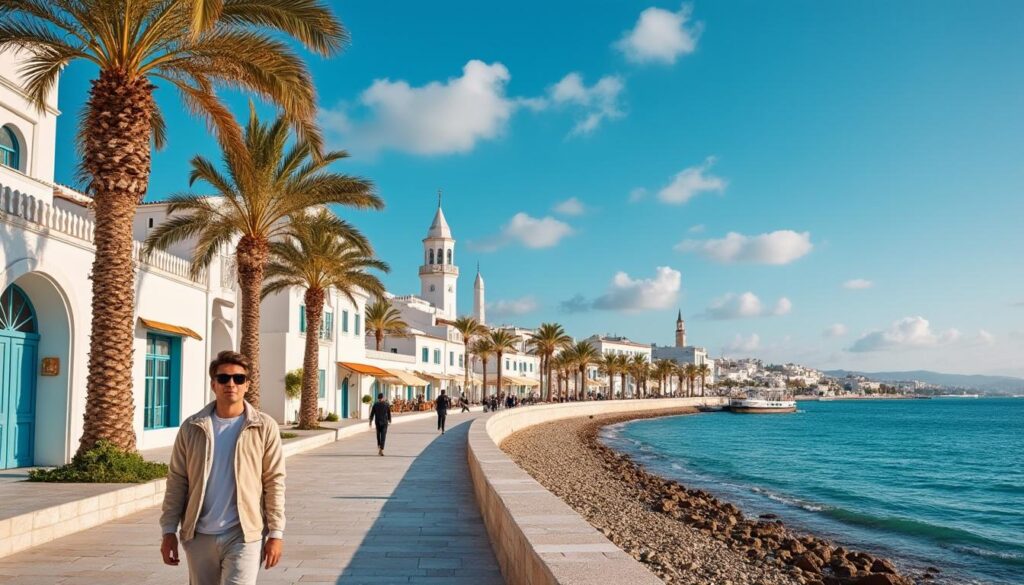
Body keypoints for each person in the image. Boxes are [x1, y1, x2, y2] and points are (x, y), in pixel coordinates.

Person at [159, 351, 285, 585]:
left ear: (247, 385)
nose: (231, 384)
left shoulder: (263, 427)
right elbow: (177, 480)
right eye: (224, 378)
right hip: (198, 536)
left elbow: (274, 481)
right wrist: (168, 530)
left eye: (238, 379)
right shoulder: (192, 427)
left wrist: (276, 533)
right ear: (213, 384)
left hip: (244, 535)